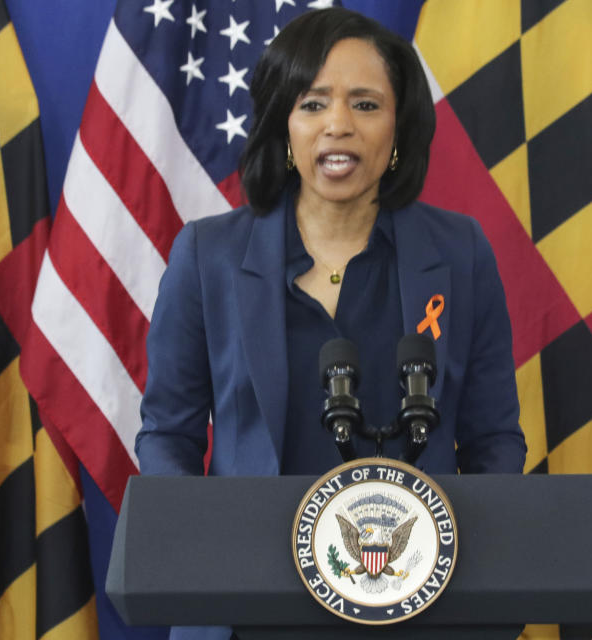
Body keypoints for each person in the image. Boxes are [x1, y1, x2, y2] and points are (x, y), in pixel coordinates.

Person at [137, 7, 525, 481]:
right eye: (313, 104)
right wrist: (206, 549)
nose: (338, 124)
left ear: (398, 127)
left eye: (365, 105)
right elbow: (168, 437)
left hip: (415, 552)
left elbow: (493, 439)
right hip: (249, 551)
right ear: (284, 126)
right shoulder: (206, 256)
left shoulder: (461, 253)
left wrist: (462, 549)